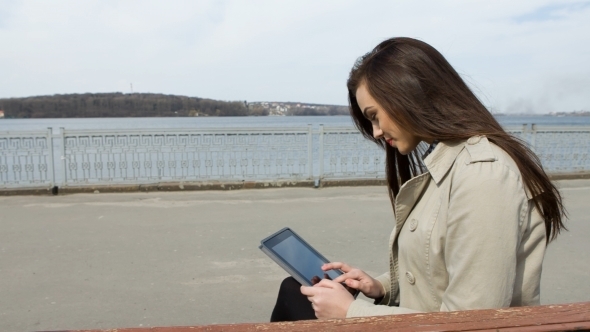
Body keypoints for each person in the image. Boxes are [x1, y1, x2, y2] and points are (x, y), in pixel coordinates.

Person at [270, 37, 566, 321]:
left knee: (294, 295)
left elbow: (472, 320)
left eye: (374, 115)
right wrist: (380, 287)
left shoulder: (482, 175)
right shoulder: (452, 161)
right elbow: (437, 273)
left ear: (408, 94)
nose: (375, 132)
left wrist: (352, 312)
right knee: (296, 290)